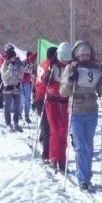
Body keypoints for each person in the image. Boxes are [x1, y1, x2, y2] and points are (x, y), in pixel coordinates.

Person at [60, 40, 102, 192]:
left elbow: (100, 91)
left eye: (87, 53)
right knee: (80, 146)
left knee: (89, 146)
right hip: (77, 111)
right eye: (82, 54)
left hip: (91, 110)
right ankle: (82, 178)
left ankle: (88, 176)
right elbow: (63, 92)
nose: (85, 56)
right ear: (77, 54)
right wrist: (70, 80)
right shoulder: (71, 68)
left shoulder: (95, 69)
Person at [40, 43, 70, 173]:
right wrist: (48, 73)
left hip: (64, 101)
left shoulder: (71, 66)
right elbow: (43, 80)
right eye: (62, 57)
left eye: (66, 58)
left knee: (63, 131)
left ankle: (62, 160)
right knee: (54, 130)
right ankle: (53, 158)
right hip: (52, 101)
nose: (64, 61)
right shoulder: (53, 65)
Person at [34, 46, 57, 163]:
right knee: (48, 126)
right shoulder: (50, 65)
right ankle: (46, 153)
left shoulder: (42, 64)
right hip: (44, 97)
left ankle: (43, 139)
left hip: (39, 95)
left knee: (45, 124)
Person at [0, 44, 24, 132]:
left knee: (17, 107)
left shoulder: (18, 64)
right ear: (9, 58)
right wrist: (9, 71)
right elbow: (3, 78)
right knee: (8, 106)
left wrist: (20, 70)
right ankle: (8, 124)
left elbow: (20, 77)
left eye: (15, 57)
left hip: (16, 87)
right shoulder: (5, 65)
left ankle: (16, 123)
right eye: (13, 57)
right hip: (7, 88)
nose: (14, 59)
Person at [20, 52, 36, 124]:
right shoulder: (24, 62)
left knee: (27, 100)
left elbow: (33, 72)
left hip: (28, 83)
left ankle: (26, 115)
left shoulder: (32, 63)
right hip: (21, 82)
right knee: (22, 99)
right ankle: (19, 113)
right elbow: (24, 70)